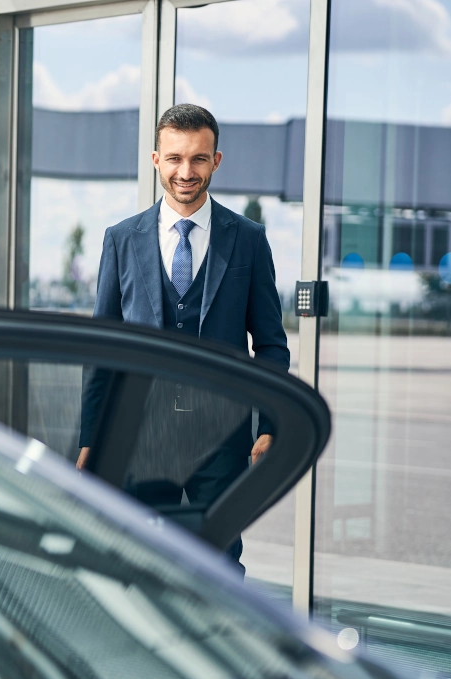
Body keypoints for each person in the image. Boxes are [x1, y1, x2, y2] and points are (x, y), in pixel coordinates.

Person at [76, 104, 290, 570]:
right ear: (156, 160)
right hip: (139, 437)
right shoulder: (121, 239)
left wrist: (271, 425)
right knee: (138, 561)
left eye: (197, 158)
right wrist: (90, 439)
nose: (185, 172)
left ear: (216, 161)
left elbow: (271, 343)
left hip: (222, 437)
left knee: (220, 564)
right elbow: (103, 349)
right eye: (174, 159)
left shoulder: (249, 239)